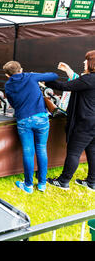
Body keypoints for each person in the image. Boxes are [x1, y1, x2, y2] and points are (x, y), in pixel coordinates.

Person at [3, 61, 58, 193]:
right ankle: (42, 184)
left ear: (7, 75)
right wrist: (35, 75)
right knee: (41, 149)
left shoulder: (8, 85)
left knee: (28, 152)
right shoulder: (30, 76)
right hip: (41, 118)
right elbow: (54, 75)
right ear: (21, 69)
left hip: (23, 120)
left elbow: (13, 104)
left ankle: (28, 186)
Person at [45, 50, 95, 191]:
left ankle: (63, 181)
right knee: (93, 151)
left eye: (86, 60)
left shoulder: (89, 79)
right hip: (93, 123)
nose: (84, 62)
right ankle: (92, 182)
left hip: (85, 123)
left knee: (74, 152)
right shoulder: (88, 80)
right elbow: (76, 83)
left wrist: (46, 80)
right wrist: (68, 70)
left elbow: (65, 86)